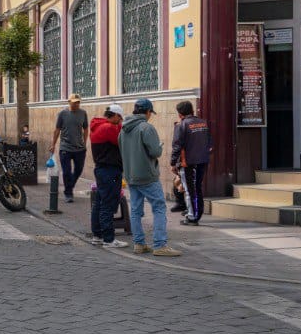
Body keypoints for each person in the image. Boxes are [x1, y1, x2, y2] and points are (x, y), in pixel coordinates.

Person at [120, 98, 181, 257]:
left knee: (135, 210)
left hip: (131, 175)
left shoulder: (123, 129)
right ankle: (160, 245)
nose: (150, 116)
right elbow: (155, 152)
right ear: (147, 112)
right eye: (150, 113)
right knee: (159, 207)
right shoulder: (146, 128)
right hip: (147, 176)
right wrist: (159, 147)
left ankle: (139, 244)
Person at [89, 104, 128, 249]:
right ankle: (109, 239)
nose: (120, 121)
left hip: (101, 169)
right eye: (120, 118)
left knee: (99, 204)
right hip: (110, 170)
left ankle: (97, 236)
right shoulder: (108, 128)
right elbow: (122, 141)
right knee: (108, 205)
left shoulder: (97, 126)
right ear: (115, 115)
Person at [170, 100, 213, 225]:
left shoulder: (181, 125)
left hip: (188, 163)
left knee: (190, 190)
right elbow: (210, 143)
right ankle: (196, 213)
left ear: (179, 114)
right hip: (202, 160)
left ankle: (193, 217)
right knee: (197, 188)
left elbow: (177, 146)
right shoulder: (203, 123)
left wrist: (173, 163)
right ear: (192, 110)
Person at [51, 93, 89, 203]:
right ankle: (68, 193)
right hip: (65, 148)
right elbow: (57, 130)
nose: (77, 104)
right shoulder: (62, 114)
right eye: (74, 102)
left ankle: (69, 187)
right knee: (67, 171)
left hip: (79, 148)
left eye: (78, 102)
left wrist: (85, 142)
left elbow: (86, 129)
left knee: (78, 170)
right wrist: (53, 144)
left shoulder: (83, 113)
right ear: (69, 102)